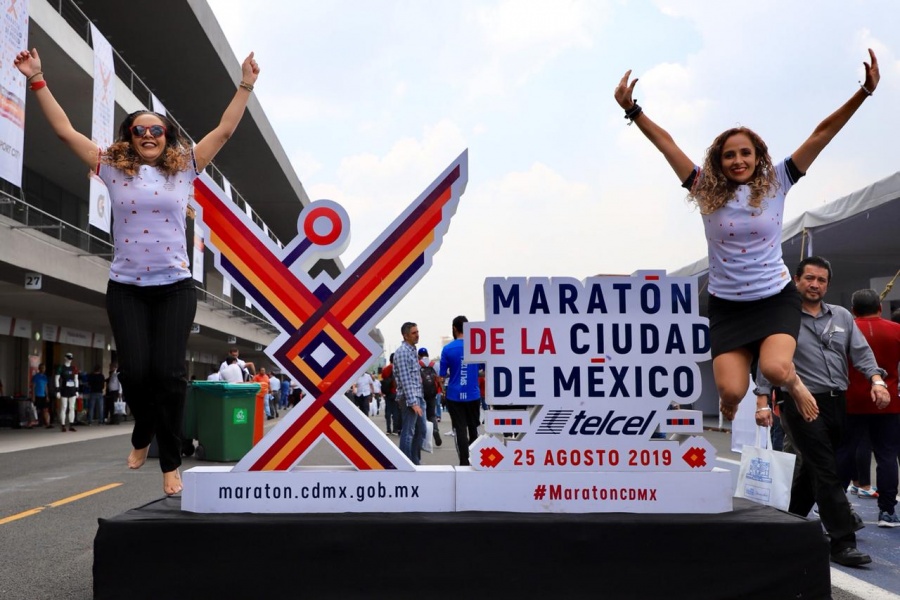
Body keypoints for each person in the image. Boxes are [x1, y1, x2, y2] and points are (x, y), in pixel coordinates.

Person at [14, 47, 260, 495]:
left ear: (167, 137)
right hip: (126, 286)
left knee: (169, 374)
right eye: (140, 129)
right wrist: (37, 78)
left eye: (157, 130)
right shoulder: (111, 167)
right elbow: (65, 131)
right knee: (136, 372)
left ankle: (169, 462)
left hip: (175, 287)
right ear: (129, 135)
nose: (149, 135)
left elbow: (223, 132)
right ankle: (142, 430)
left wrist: (244, 85)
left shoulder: (185, 168)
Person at [615, 49, 880, 422]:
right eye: (729, 155)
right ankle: (733, 401)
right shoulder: (703, 188)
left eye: (745, 153)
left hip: (774, 299)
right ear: (718, 161)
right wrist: (634, 111)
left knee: (774, 369)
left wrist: (863, 92)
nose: (737, 160)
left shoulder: (778, 182)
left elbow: (822, 134)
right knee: (731, 390)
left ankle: (793, 382)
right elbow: (667, 145)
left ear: (758, 157)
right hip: (728, 306)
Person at [755, 257, 889, 566]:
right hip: (800, 403)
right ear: (797, 280)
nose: (815, 285)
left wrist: (877, 380)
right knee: (827, 470)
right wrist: (762, 402)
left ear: (827, 284)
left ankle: (787, 525)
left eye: (822, 280)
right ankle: (842, 541)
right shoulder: (782, 318)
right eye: (810, 278)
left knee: (814, 470)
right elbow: (768, 361)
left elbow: (861, 353)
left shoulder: (842, 316)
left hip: (836, 403)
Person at [837, 288, 900, 527]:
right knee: (887, 455)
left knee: (845, 452)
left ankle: (836, 504)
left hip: (852, 400)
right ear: (880, 307)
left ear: (853, 310)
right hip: (888, 401)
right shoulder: (896, 330)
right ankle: (887, 511)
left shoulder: (846, 330)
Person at [440, 315, 483, 466]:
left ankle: (464, 462)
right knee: (473, 428)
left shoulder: (447, 349)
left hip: (454, 395)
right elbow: (483, 369)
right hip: (473, 393)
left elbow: (442, 374)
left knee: (460, 430)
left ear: (454, 329)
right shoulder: (477, 347)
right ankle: (475, 460)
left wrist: (443, 392)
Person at [396, 322, 427, 464]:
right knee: (408, 433)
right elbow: (405, 379)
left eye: (417, 332)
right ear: (405, 335)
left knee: (421, 431)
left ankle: (415, 462)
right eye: (414, 333)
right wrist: (413, 402)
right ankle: (406, 464)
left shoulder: (412, 351)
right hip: (409, 398)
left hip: (418, 395)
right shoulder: (402, 352)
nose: (417, 335)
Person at [418, 347, 442, 447]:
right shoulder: (435, 365)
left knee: (421, 415)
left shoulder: (417, 364)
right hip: (432, 393)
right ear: (427, 354)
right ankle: (435, 430)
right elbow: (440, 378)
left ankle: (423, 438)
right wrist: (441, 390)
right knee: (432, 415)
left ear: (419, 355)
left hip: (421, 393)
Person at [55, 352, 79, 432]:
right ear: (65, 358)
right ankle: (63, 425)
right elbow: (57, 379)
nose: (70, 360)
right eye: (68, 358)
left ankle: (71, 424)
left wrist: (77, 389)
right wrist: (57, 390)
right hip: (64, 389)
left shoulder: (74, 368)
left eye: (71, 358)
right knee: (64, 407)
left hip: (72, 389)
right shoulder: (61, 368)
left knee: (72, 407)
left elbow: (76, 379)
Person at [381, 354, 400, 435]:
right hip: (395, 391)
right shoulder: (398, 368)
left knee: (388, 411)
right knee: (396, 411)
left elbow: (383, 379)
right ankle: (395, 429)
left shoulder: (385, 369)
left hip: (388, 392)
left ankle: (388, 429)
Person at [31, 363, 51, 428]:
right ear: (39, 369)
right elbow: (33, 387)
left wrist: (47, 395)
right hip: (37, 395)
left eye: (44, 368)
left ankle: (48, 423)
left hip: (43, 395)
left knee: (45, 409)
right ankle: (36, 422)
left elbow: (46, 387)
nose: (43, 369)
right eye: (42, 368)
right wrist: (33, 396)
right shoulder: (36, 377)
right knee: (37, 409)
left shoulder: (45, 377)